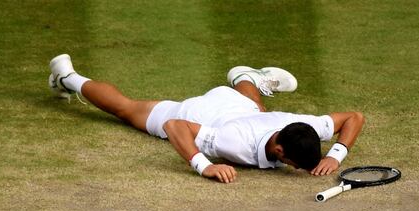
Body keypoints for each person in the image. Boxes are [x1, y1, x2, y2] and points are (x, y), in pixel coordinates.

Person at [48, 54, 365, 183]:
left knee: (257, 112)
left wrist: (337, 154)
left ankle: (245, 77)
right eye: (295, 165)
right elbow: (175, 127)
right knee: (125, 108)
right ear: (280, 152)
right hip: (193, 113)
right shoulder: (233, 144)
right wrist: (204, 164)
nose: (296, 170)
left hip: (239, 106)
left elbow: (354, 117)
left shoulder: (304, 125)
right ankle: (68, 77)